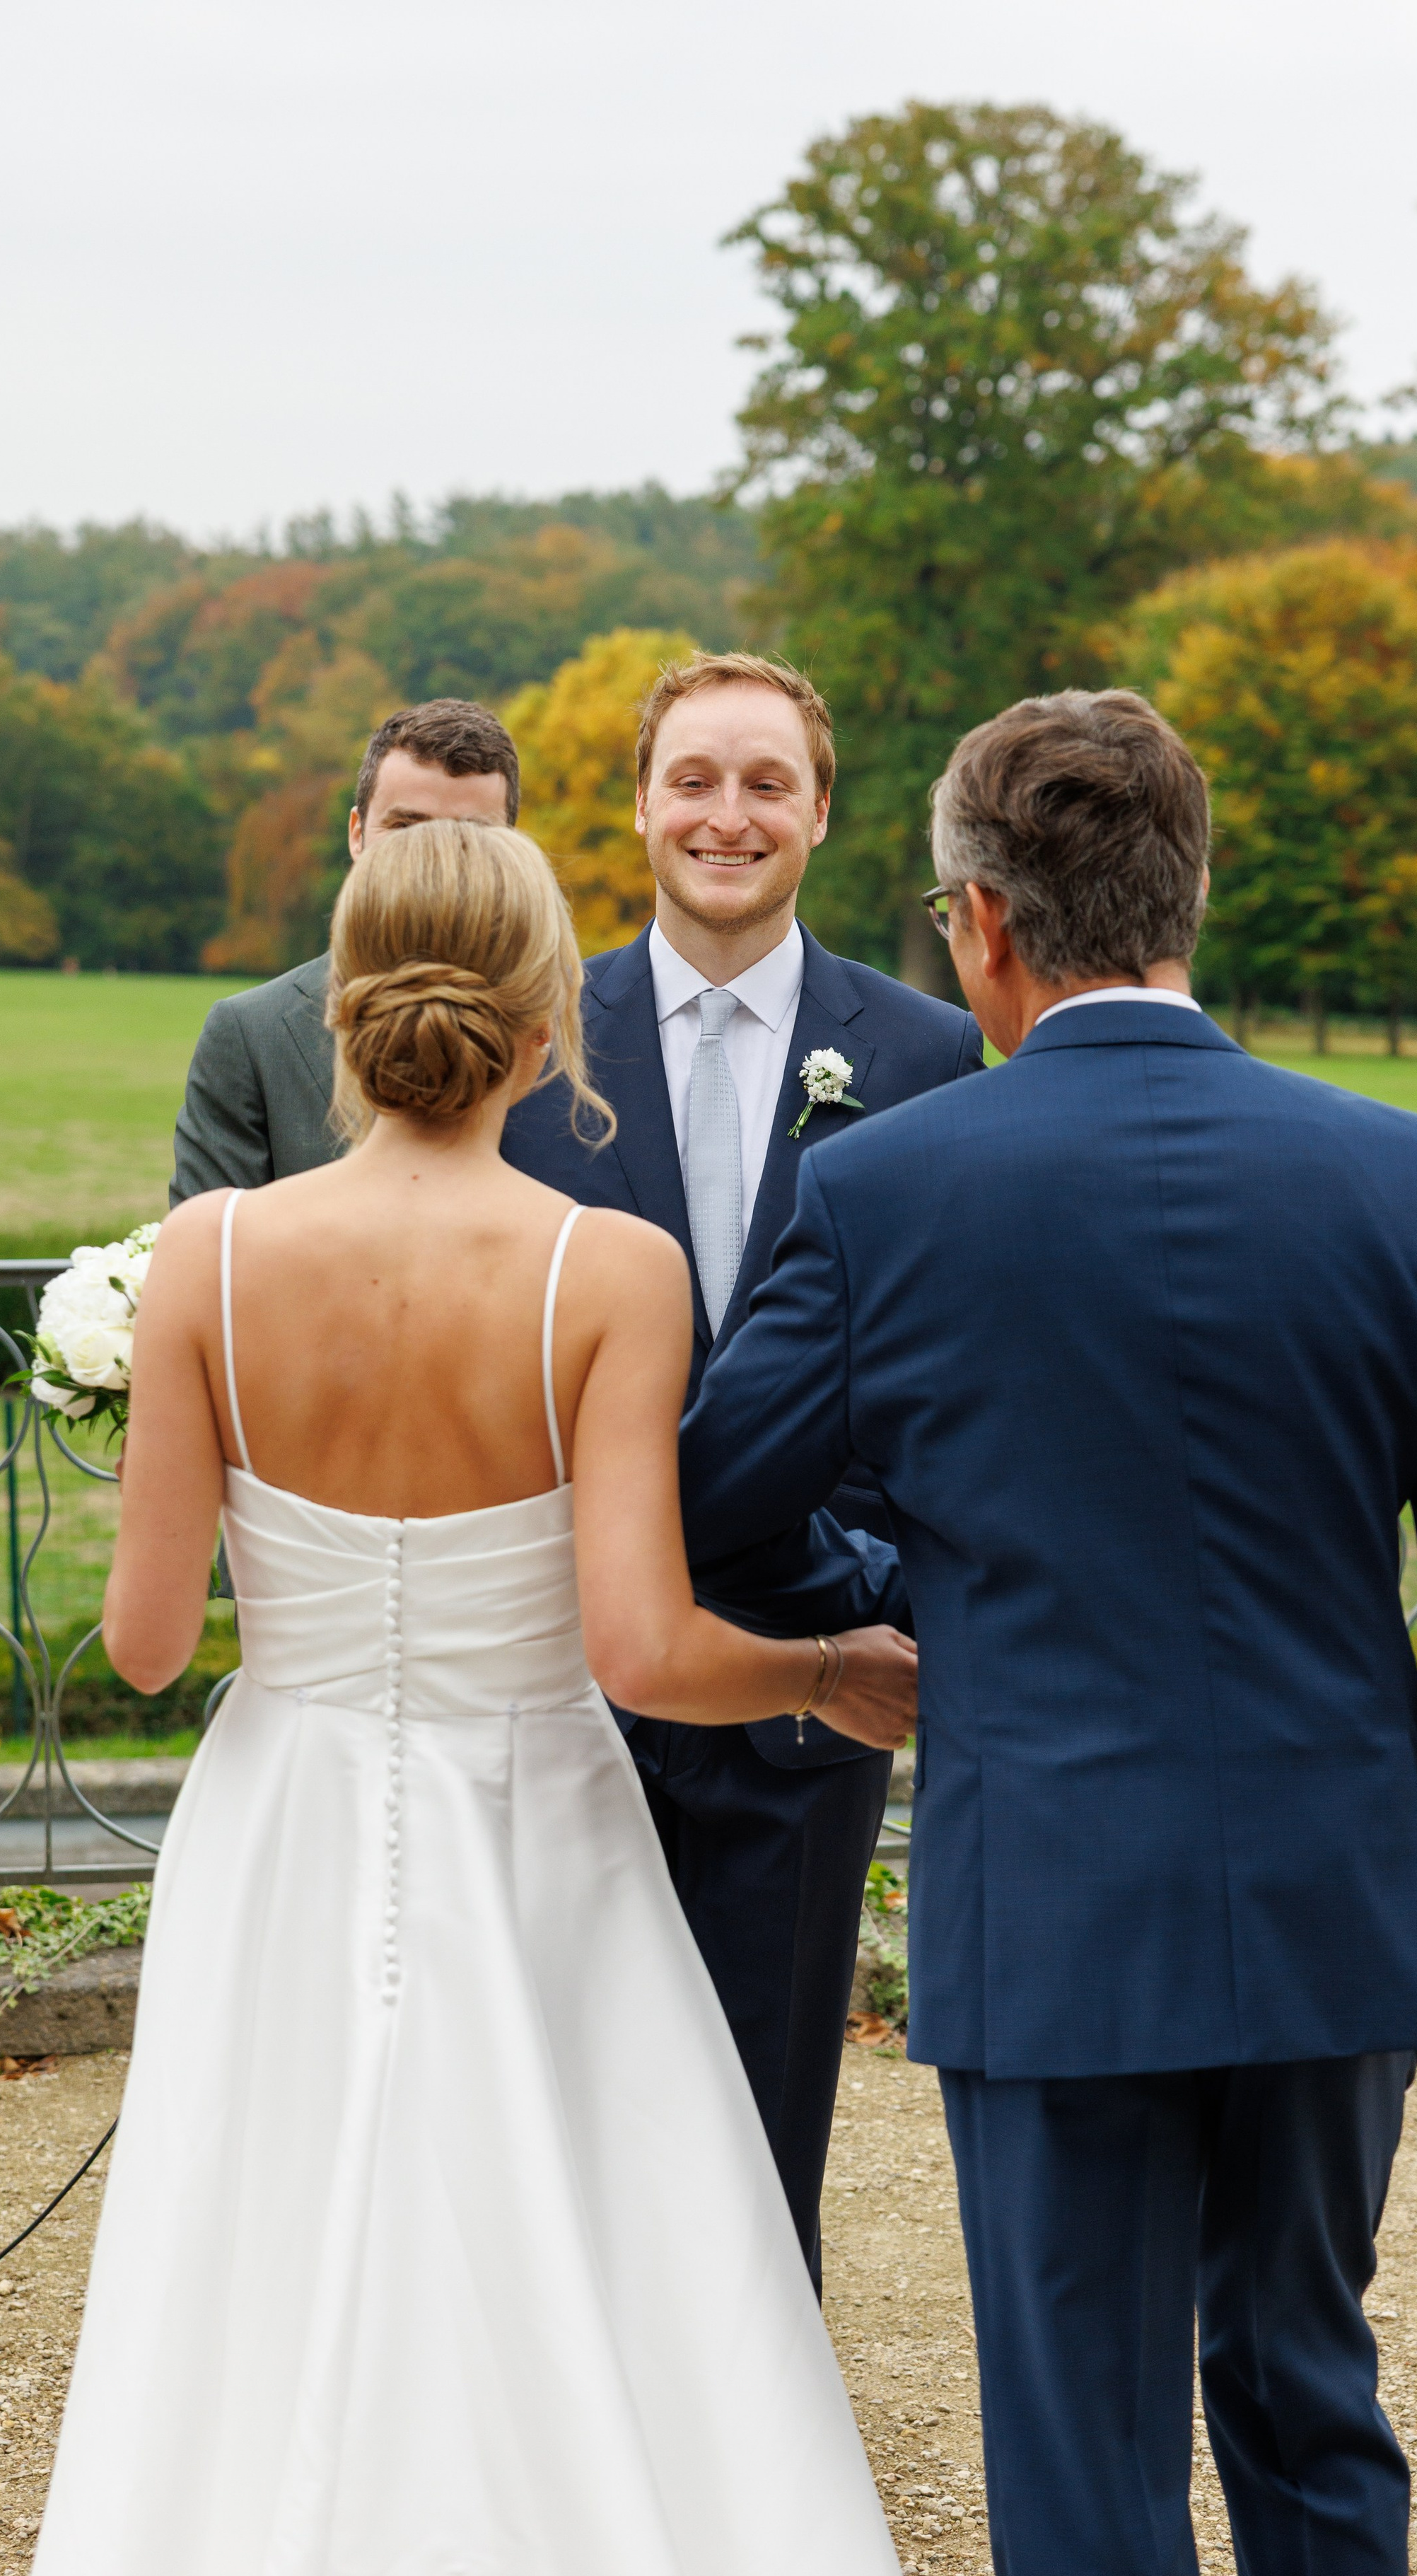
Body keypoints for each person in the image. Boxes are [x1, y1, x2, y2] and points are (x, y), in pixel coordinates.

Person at [678, 690, 1417, 2576]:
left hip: (1053, 1904)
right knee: (1310, 2392)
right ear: (1193, 890)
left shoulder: (891, 1190)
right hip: (1341, 1896)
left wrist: (882, 1623)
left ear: (981, 924)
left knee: (1086, 2452)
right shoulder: (1402, 1176)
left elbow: (710, 1504)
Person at [1, 820, 940, 2576]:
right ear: (548, 1031)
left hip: (287, 1813)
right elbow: (643, 1649)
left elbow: (148, 1641)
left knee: (261, 2240)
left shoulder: (206, 1254)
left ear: (345, 1014)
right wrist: (829, 1663)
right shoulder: (612, 1264)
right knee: (588, 2234)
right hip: (544, 1821)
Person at [501, 649, 985, 2282]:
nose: (727, 813)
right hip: (568, 1673)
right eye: (693, 778)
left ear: (820, 812)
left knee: (766, 2102)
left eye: (765, 781)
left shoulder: (920, 1055)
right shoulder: (526, 1042)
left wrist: (847, 1613)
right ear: (639, 803)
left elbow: (947, 1374)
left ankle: (756, 2448)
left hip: (814, 1674)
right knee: (559, 2092)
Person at [170, 697, 520, 1195]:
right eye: (407, 828)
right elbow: (211, 1258)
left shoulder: (568, 1024)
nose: (433, 858)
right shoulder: (251, 1036)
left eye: (468, 835)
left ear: (513, 849)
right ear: (357, 834)